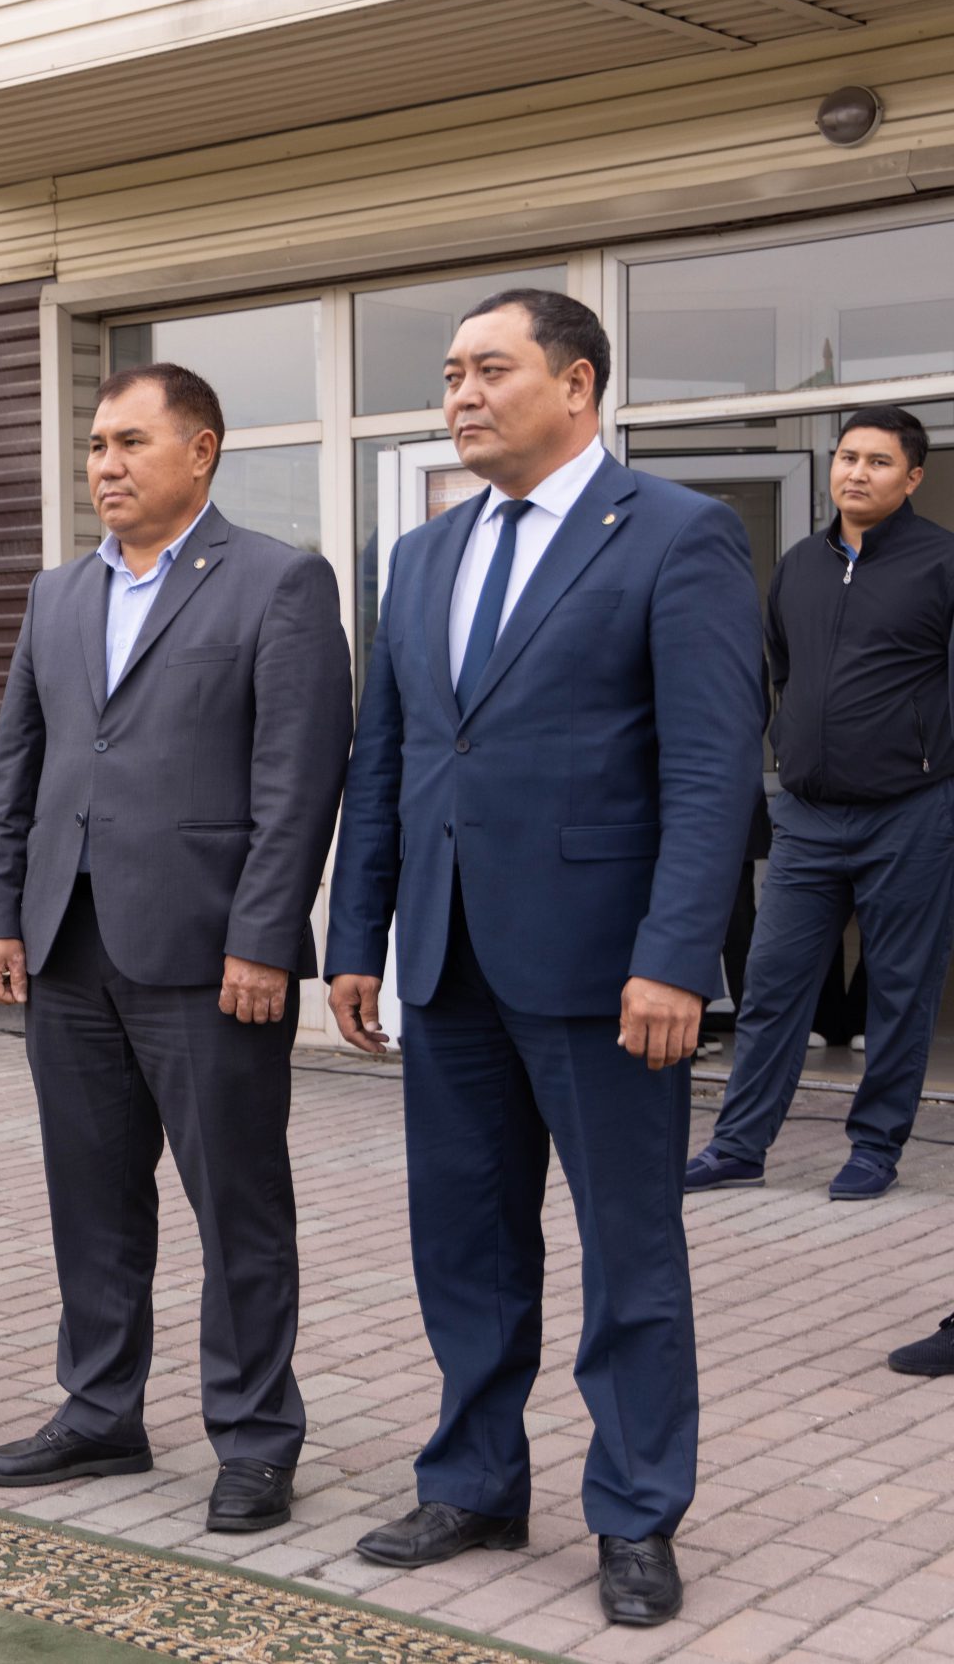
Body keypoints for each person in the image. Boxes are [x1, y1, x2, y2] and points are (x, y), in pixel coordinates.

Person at [326, 289, 762, 1627]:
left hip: (605, 967)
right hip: (447, 956)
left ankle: (635, 1511)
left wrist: (676, 957)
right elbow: (389, 758)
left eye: (489, 369)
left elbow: (711, 770)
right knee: (463, 1239)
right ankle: (472, 1480)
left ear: (577, 385)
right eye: (450, 372)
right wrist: (356, 935)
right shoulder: (423, 555)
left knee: (629, 1251)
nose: (460, 394)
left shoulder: (677, 534)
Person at [0, 362, 352, 1531]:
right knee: (89, 1196)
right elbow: (16, 768)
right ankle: (99, 1411)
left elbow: (297, 780)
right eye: (96, 445)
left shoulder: (278, 582)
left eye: (131, 442)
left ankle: (255, 1437)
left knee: (236, 1204)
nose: (106, 465)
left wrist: (263, 937)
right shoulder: (57, 595)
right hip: (67, 945)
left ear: (202, 450)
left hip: (206, 952)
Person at [686, 407, 954, 1201]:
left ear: (913, 477)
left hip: (910, 812)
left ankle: (875, 1147)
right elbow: (781, 670)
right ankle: (739, 1145)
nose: (856, 473)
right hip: (808, 818)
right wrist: (790, 743)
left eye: (878, 461)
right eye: (848, 457)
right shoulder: (799, 565)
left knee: (900, 992)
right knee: (772, 988)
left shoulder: (942, 563)